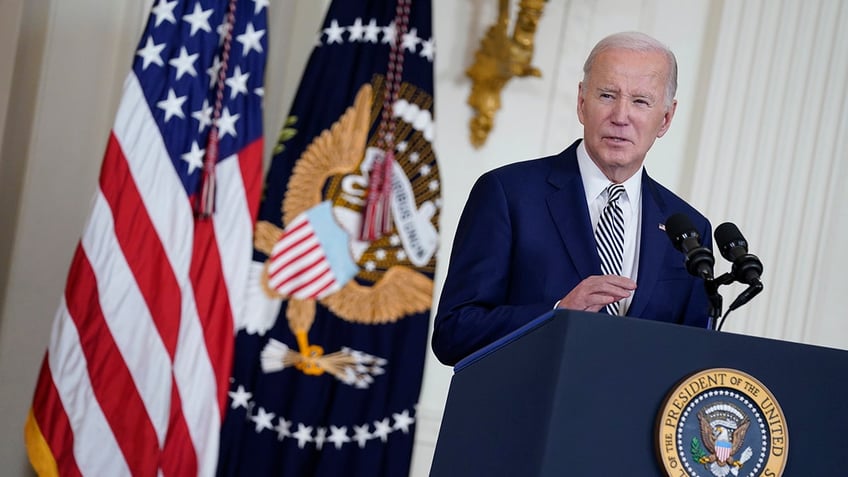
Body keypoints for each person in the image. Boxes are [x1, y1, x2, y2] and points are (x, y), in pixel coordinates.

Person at [432, 31, 712, 366]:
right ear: (582, 102)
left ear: (665, 118)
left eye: (640, 101)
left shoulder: (690, 229)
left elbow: (692, 358)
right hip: (525, 413)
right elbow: (453, 332)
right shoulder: (508, 194)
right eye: (607, 95)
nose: (621, 116)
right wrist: (556, 315)